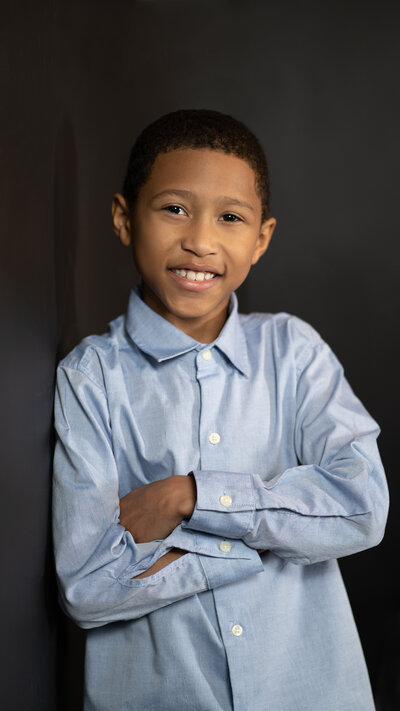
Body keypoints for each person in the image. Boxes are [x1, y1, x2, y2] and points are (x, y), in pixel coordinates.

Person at [53, 109, 389, 711]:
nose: (201, 241)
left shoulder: (293, 351)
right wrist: (251, 538)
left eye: (230, 218)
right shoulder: (92, 376)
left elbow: (362, 505)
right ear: (124, 219)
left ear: (260, 239)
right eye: (174, 208)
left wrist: (188, 498)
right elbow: (87, 585)